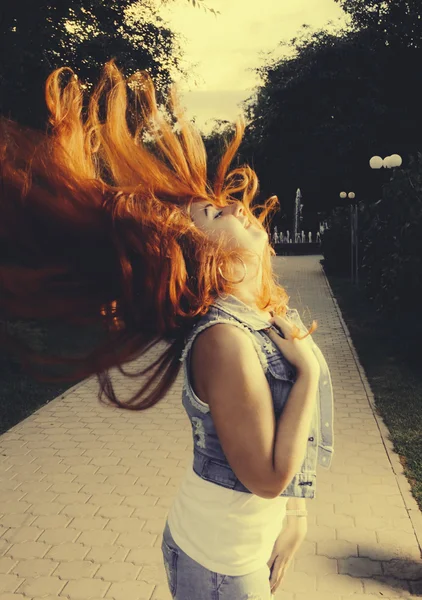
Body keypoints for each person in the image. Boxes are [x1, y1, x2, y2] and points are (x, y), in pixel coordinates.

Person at [0, 60, 334, 599]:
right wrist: (311, 373)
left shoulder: (260, 314)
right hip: (221, 563)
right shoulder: (224, 340)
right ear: (208, 256)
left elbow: (280, 467)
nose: (235, 208)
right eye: (217, 214)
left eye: (223, 204)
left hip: (235, 545)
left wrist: (296, 513)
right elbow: (267, 476)